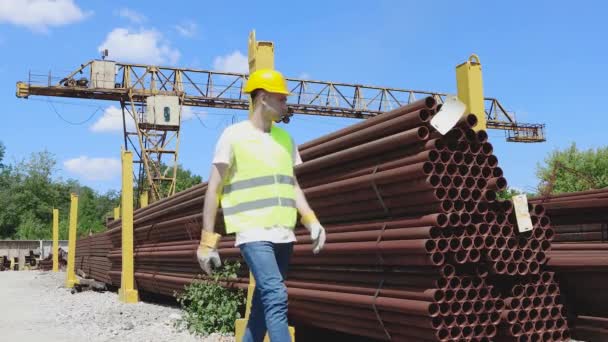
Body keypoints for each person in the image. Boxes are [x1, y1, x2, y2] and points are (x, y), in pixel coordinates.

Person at [196, 69, 326, 341]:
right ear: (263, 98)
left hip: (283, 233)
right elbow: (214, 189)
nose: (286, 105)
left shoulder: (285, 139)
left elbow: (292, 186)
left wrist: (311, 220)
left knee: (261, 306)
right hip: (253, 232)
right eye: (282, 99)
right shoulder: (233, 136)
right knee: (276, 296)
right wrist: (208, 241)